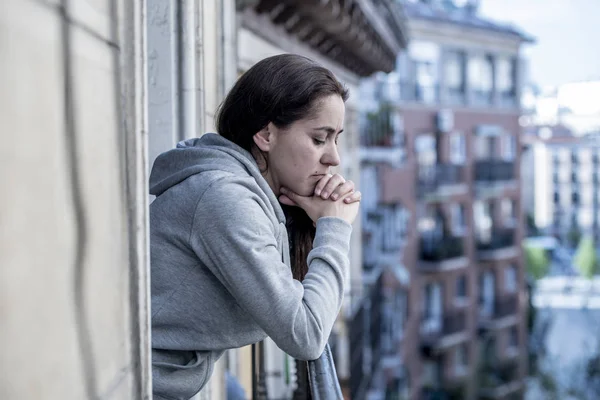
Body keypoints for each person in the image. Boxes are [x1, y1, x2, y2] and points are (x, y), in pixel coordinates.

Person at [149, 53, 361, 400]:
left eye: (336, 138)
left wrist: (318, 223)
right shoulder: (225, 198)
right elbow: (306, 335)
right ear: (266, 134)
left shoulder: (261, 199)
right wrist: (334, 228)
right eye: (319, 139)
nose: (334, 158)